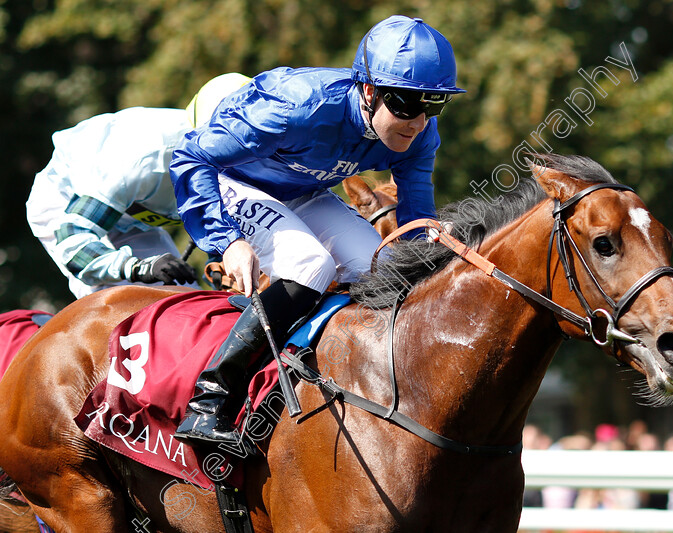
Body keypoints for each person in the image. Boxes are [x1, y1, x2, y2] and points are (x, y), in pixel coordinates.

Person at [169, 15, 465, 443]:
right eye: (406, 103)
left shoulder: (420, 135)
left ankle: (320, 376)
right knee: (310, 264)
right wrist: (226, 240)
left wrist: (431, 260)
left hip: (302, 190)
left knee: (380, 268)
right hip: (232, 179)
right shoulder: (297, 107)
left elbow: (415, 218)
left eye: (434, 104)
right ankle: (209, 401)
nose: (419, 121)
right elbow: (192, 157)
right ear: (369, 90)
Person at [26, 73, 252, 298]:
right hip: (66, 204)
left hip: (132, 214)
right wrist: (138, 268)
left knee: (187, 298)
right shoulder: (139, 162)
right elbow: (73, 245)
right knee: (121, 306)